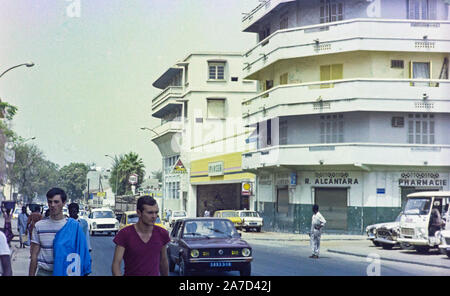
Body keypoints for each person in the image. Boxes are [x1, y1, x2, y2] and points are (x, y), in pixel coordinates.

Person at [112, 195, 170, 276]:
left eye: (156, 212)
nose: (154, 216)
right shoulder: (125, 234)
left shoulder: (162, 233)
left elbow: (163, 261)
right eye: (150, 213)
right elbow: (116, 264)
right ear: (139, 213)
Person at [29, 188, 70, 276]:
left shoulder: (70, 226)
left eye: (56, 202)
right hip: (44, 272)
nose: (52, 205)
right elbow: (34, 256)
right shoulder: (39, 226)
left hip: (64, 272)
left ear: (63, 203)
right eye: (50, 202)